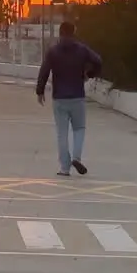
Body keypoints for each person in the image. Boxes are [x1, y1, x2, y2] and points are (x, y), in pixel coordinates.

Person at [36, 21, 102, 177]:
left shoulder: (53, 51)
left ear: (60, 33)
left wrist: (40, 91)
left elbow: (44, 71)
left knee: (62, 133)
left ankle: (64, 168)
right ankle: (76, 158)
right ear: (74, 32)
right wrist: (89, 74)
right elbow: (98, 61)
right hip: (77, 97)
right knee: (79, 129)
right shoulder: (82, 50)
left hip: (59, 98)